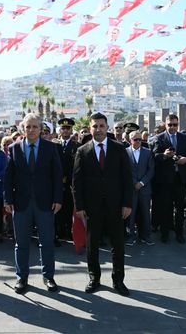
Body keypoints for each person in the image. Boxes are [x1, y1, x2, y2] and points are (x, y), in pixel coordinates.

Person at [73, 112, 133, 296]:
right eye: (95, 126)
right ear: (90, 128)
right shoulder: (82, 151)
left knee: (118, 244)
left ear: (107, 127)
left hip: (116, 206)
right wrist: (80, 207)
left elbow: (127, 179)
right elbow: (77, 181)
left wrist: (127, 203)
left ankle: (118, 280)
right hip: (92, 207)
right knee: (92, 244)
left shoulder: (119, 148)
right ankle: (94, 278)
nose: (98, 129)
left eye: (101, 126)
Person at [4, 114, 63, 294]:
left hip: (45, 203)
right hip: (21, 204)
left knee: (46, 242)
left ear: (40, 128)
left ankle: (49, 276)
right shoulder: (14, 148)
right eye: (28, 127)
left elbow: (57, 176)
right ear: (23, 128)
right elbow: (8, 177)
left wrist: (58, 199)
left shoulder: (50, 148)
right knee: (21, 243)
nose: (31, 130)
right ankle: (21, 278)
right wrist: (8, 200)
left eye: (35, 127)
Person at [151, 114, 186, 244]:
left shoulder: (184, 138)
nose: (173, 127)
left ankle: (179, 233)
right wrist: (164, 155)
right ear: (165, 124)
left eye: (175, 125)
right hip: (165, 180)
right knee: (165, 207)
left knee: (180, 208)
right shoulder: (159, 138)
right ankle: (165, 233)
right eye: (170, 125)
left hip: (180, 178)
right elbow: (154, 156)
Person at [125, 130, 154, 246]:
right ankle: (130, 236)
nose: (138, 142)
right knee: (130, 214)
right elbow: (124, 171)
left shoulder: (148, 152)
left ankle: (146, 236)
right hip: (131, 189)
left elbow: (151, 170)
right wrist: (134, 183)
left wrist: (141, 183)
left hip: (144, 188)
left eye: (140, 139)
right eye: (135, 140)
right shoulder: (125, 152)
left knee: (145, 213)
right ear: (130, 140)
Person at [54, 118, 79, 245]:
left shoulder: (77, 146)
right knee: (57, 208)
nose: (65, 130)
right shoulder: (54, 145)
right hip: (56, 183)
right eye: (63, 128)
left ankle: (69, 231)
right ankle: (59, 232)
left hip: (70, 184)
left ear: (71, 130)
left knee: (69, 207)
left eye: (68, 128)